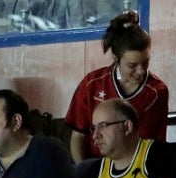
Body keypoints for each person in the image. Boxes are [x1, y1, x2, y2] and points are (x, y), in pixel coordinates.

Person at [65, 12, 169, 162]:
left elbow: (154, 146)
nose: (140, 71)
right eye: (132, 65)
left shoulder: (157, 92)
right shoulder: (92, 84)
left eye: (145, 63)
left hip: (136, 167)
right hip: (95, 166)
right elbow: (78, 137)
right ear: (116, 59)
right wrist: (84, 173)